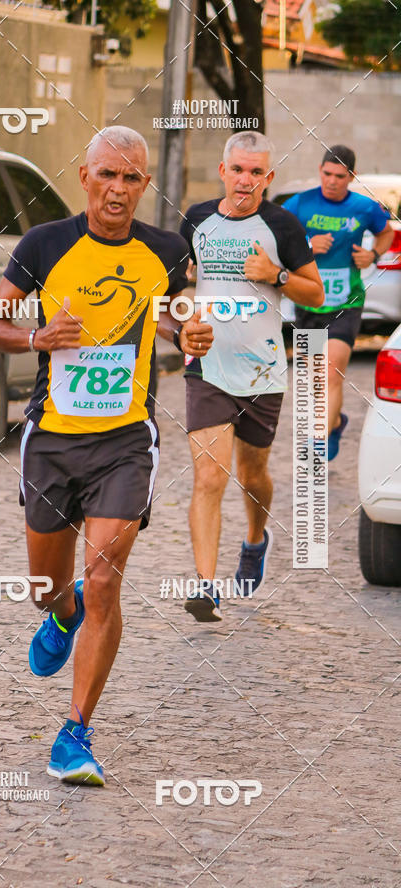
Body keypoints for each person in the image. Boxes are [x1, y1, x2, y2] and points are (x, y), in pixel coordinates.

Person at [0, 125, 212, 786]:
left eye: (131, 178)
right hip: (53, 439)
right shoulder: (44, 244)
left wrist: (189, 330)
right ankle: (62, 612)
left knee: (105, 578)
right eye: (107, 174)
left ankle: (75, 734)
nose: (118, 189)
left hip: (126, 440)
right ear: (85, 176)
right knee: (46, 589)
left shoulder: (166, 249)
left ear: (145, 185)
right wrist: (37, 337)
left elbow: (171, 315)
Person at [179, 131, 324, 624]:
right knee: (209, 476)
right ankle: (205, 586)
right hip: (208, 367)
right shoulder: (197, 219)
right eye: (238, 169)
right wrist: (184, 320)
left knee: (253, 476)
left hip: (263, 371)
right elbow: (175, 286)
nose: (245, 180)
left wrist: (275, 274)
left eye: (256, 172)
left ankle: (256, 539)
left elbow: (316, 294)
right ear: (223, 171)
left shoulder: (282, 225)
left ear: (269, 177)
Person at [283, 145, 394, 460]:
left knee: (331, 372)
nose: (332, 181)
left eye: (340, 176)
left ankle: (316, 443)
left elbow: (386, 233)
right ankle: (334, 423)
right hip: (309, 302)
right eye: (327, 174)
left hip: (347, 302)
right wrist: (307, 244)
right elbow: (278, 239)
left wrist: (372, 254)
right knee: (315, 380)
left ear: (352, 176)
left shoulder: (364, 207)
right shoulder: (299, 203)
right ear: (320, 171)